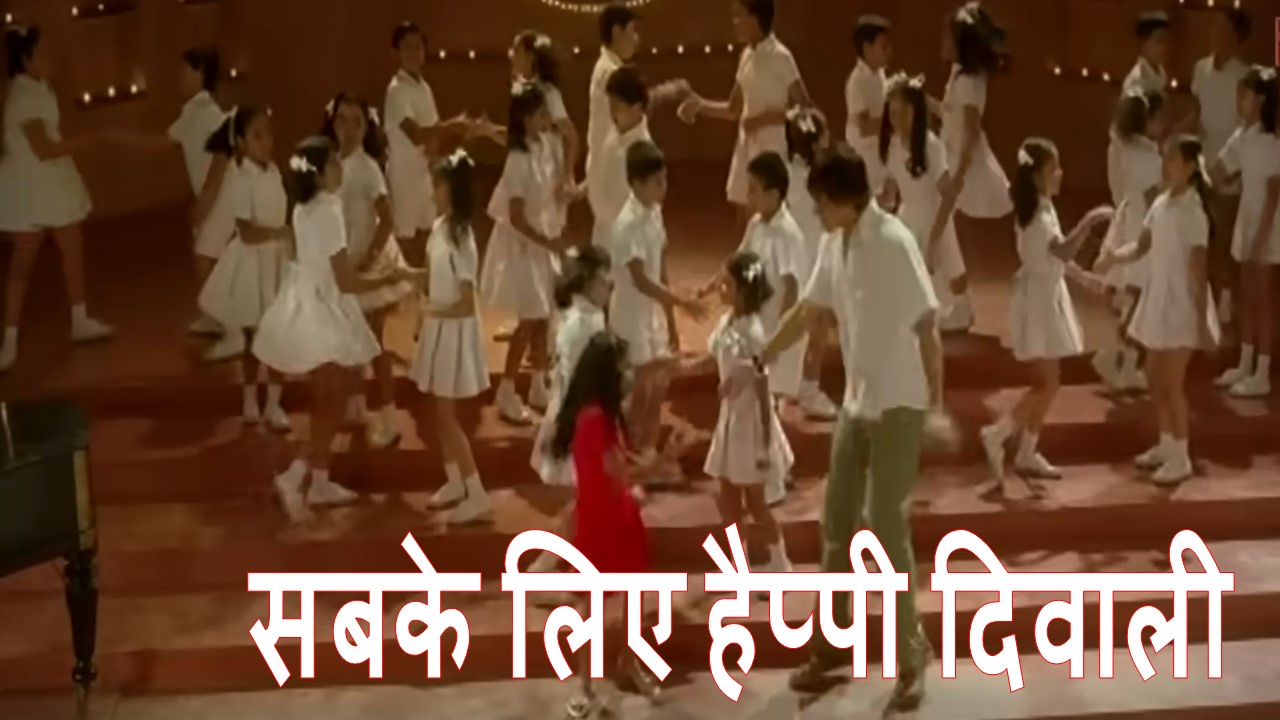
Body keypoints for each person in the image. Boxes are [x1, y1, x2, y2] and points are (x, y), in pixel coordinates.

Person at [745, 152, 944, 709]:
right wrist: (763, 354)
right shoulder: (835, 244)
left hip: (900, 404)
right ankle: (832, 648)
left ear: (845, 199)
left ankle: (912, 655)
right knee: (836, 523)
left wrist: (937, 405)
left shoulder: (894, 242)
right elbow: (809, 310)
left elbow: (928, 325)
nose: (817, 212)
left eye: (821, 202)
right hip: (857, 405)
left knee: (885, 526)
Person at [255, 137, 411, 522]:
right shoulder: (328, 210)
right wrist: (393, 277)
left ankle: (320, 480)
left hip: (312, 301)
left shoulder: (305, 207)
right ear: (321, 173)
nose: (340, 168)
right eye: (333, 164)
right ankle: (296, 477)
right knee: (332, 399)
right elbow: (345, 280)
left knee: (333, 396)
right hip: (323, 310)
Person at [982, 139, 1113, 489]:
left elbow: (1056, 259)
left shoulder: (1043, 208)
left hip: (1046, 296)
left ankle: (1027, 450)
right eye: (1054, 168)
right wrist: (1091, 219)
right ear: (1038, 175)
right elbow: (1064, 249)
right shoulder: (1038, 218)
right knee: (1046, 382)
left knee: (1048, 382)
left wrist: (1084, 279)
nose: (1060, 174)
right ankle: (999, 433)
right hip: (1039, 304)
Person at [550, 330, 660, 717]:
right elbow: (619, 471)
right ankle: (584, 684)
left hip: (619, 515)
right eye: (623, 366)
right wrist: (663, 462)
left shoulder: (607, 416)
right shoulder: (594, 419)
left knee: (632, 596)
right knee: (592, 606)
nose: (628, 372)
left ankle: (628, 663)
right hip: (599, 521)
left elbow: (624, 464)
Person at [1098, 136, 1220, 483]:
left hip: (1183, 306)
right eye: (1165, 158)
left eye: (1172, 159)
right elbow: (1141, 246)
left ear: (1190, 166)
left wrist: (1201, 323)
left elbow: (1199, 272)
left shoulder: (1194, 213)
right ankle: (1166, 444)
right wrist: (1113, 257)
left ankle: (1181, 457)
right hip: (1158, 299)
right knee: (1153, 375)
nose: (1166, 166)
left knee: (1171, 383)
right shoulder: (1161, 204)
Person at [0, 26, 114, 372]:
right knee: (22, 265)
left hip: (52, 182)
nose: (50, 59)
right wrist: (91, 140)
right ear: (25, 59)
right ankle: (8, 341)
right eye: (43, 53)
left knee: (72, 246)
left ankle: (80, 320)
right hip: (32, 187)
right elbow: (43, 148)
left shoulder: (40, 88)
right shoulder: (23, 97)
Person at [697, 152, 799, 504]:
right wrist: (713, 284)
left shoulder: (789, 234)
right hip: (752, 320)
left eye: (754, 189)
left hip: (770, 330)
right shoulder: (757, 225)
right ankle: (776, 468)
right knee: (761, 405)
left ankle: (772, 476)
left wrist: (779, 334)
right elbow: (737, 260)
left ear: (774, 193)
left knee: (766, 403)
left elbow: (792, 286)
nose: (749, 196)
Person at [322, 93, 413, 449]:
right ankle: (357, 405)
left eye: (356, 121)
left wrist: (369, 258)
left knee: (373, 344)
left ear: (365, 127)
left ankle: (389, 417)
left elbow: (387, 218)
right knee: (350, 339)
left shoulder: (366, 168)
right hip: (346, 262)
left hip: (368, 261)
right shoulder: (332, 164)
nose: (348, 128)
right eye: (342, 120)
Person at [609, 140, 704, 477]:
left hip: (653, 315)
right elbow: (640, 280)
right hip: (631, 316)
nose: (664, 188)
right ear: (636, 184)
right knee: (638, 392)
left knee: (657, 388)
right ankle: (629, 461)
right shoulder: (626, 224)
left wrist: (671, 321)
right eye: (657, 182)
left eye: (665, 180)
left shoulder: (654, 213)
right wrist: (681, 302)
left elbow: (660, 269)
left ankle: (648, 457)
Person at [409, 151, 493, 525]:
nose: (433, 193)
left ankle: (477, 493)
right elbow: (428, 276)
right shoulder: (439, 227)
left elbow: (465, 304)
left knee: (446, 414)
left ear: (452, 189)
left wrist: (432, 312)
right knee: (437, 411)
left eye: (438, 185)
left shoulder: (463, 239)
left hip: (453, 332)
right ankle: (455, 481)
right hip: (437, 327)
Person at [197, 105, 291, 431]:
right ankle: (250, 398)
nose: (266, 142)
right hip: (253, 264)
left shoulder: (274, 171)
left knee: (278, 336)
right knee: (253, 338)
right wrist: (279, 233)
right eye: (257, 135)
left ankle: (275, 404)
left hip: (276, 261)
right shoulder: (240, 178)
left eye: (269, 134)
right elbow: (247, 231)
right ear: (241, 142)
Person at [678, 0, 812, 224]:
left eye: (739, 15)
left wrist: (765, 119)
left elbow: (805, 108)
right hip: (747, 145)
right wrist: (700, 105)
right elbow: (734, 109)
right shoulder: (746, 56)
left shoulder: (780, 56)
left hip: (772, 148)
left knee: (770, 218)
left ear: (756, 17)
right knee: (745, 216)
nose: (735, 22)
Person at [703, 251, 793, 570]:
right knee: (728, 501)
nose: (720, 289)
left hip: (751, 425)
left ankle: (781, 563)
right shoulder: (726, 322)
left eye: (726, 284)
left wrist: (765, 443)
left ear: (742, 290)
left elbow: (763, 390)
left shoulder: (753, 333)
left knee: (756, 502)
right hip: (730, 419)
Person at [526, 246, 613, 574]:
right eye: (604, 278)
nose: (610, 284)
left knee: (587, 501)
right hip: (581, 420)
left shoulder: (582, 316)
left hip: (579, 415)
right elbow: (584, 379)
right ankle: (548, 565)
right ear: (589, 281)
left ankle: (552, 563)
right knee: (588, 500)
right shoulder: (585, 324)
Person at [481, 81, 561, 424]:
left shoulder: (543, 145)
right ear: (525, 118)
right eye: (540, 113)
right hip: (522, 243)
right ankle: (507, 389)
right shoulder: (517, 159)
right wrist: (547, 241)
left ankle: (538, 383)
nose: (547, 118)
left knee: (543, 315)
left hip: (540, 236)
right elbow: (515, 216)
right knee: (528, 319)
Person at [936, 1, 1011, 332]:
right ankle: (954, 300)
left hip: (958, 161)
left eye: (949, 37)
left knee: (939, 227)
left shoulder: (968, 82)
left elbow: (970, 131)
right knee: (940, 229)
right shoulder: (959, 75)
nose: (944, 41)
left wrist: (958, 176)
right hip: (949, 155)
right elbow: (948, 115)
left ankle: (958, 302)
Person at [1210, 66, 1280, 398]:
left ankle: (1262, 371)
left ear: (1261, 100)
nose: (1239, 100)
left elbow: (1274, 195)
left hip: (1269, 226)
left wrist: (1260, 239)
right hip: (1247, 221)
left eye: (1245, 94)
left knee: (1263, 300)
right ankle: (1244, 361)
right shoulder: (1243, 136)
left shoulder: (1273, 142)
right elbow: (1218, 171)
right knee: (1246, 297)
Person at [879, 72, 967, 328]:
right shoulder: (893, 145)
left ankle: (960, 308)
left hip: (935, 217)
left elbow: (948, 196)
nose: (897, 120)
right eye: (893, 113)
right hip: (908, 218)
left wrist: (936, 237)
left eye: (903, 112)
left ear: (916, 111)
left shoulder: (931, 147)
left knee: (951, 276)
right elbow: (890, 193)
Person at [384, 22, 475, 267]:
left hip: (425, 175)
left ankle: (423, 286)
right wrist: (454, 125)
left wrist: (464, 132)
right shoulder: (396, 91)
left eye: (418, 47)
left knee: (427, 236)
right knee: (407, 241)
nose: (413, 53)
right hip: (404, 177)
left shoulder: (424, 87)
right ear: (396, 52)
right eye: (407, 47)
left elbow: (435, 135)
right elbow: (416, 135)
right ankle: (408, 287)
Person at [1094, 91, 1165, 393]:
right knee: (1140, 300)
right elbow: (1153, 200)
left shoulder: (1127, 150)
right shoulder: (1148, 156)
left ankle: (1123, 361)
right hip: (1143, 228)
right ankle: (1118, 358)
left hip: (1131, 221)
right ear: (1147, 122)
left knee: (1137, 298)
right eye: (1159, 119)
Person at [1192, 8, 1251, 323]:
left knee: (1225, 240)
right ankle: (1205, 302)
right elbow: (1198, 115)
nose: (1217, 35)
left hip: (1231, 170)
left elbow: (1247, 128)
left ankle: (1226, 301)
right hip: (1202, 165)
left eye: (1225, 30)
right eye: (1215, 28)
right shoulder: (1200, 69)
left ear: (1237, 38)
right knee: (1201, 235)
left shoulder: (1244, 76)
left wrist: (1234, 169)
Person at [784, 109, 840, 420]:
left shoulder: (788, 172)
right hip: (818, 257)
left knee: (801, 323)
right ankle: (808, 387)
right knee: (819, 324)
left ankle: (792, 385)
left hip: (795, 258)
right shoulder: (824, 178)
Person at [587, 66, 653, 248]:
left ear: (637, 107)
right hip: (603, 234)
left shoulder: (643, 151)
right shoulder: (614, 132)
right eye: (610, 103)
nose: (612, 110)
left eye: (617, 105)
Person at [845, 14, 892, 194]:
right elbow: (864, 127)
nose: (889, 51)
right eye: (883, 46)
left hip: (880, 156)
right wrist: (894, 121)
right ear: (867, 48)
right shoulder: (857, 81)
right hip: (864, 160)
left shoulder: (879, 74)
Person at [1122, 11, 1170, 96]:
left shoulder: (1161, 74)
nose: (1164, 48)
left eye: (1165, 41)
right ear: (1144, 43)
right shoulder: (1135, 82)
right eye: (1159, 41)